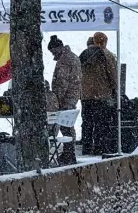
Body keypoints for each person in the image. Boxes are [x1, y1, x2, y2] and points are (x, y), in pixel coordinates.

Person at [79, 31, 117, 156]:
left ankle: (86, 147)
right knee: (101, 123)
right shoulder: (107, 55)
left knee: (87, 122)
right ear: (104, 42)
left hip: (85, 95)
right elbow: (113, 75)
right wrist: (115, 89)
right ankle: (99, 147)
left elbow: (78, 74)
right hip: (102, 95)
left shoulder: (83, 54)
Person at [47, 35, 82, 165]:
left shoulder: (64, 60)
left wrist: (56, 99)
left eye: (53, 51)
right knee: (68, 125)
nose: (53, 54)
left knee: (65, 125)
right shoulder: (73, 57)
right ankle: (69, 153)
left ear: (58, 48)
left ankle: (68, 154)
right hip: (73, 96)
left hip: (65, 98)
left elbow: (62, 82)